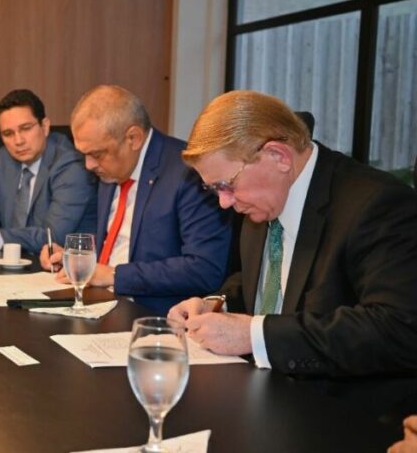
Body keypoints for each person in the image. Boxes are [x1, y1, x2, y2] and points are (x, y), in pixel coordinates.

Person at [168, 90, 417, 376]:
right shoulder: (262, 197)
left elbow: (397, 328)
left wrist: (254, 335)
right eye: (214, 189)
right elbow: (261, 282)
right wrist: (214, 306)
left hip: (337, 396)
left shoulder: (376, 205)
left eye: (226, 185)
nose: (224, 202)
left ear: (278, 156)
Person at [38, 85, 231, 313]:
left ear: (133, 138)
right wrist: (78, 259)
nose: (89, 165)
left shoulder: (188, 172)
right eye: (84, 155)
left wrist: (114, 275)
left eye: (96, 154)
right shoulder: (111, 169)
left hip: (152, 316)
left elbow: (204, 269)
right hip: (98, 303)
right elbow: (120, 242)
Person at [0, 88, 96, 253]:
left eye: (26, 128)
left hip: (61, 265)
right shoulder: (5, 157)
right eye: (8, 133)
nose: (18, 141)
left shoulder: (71, 166)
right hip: (13, 262)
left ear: (45, 126)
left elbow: (52, 237)